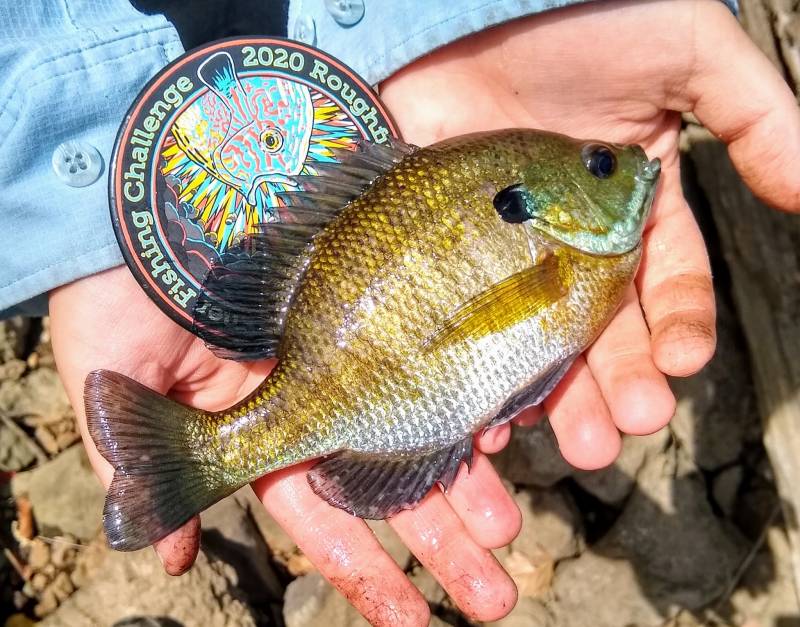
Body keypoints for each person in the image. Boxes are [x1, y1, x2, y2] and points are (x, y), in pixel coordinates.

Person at [1, 0, 797, 624]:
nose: (621, 164)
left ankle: (213, 451)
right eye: (599, 163)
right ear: (543, 198)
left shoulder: (567, 245)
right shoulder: (567, 251)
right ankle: (209, 452)